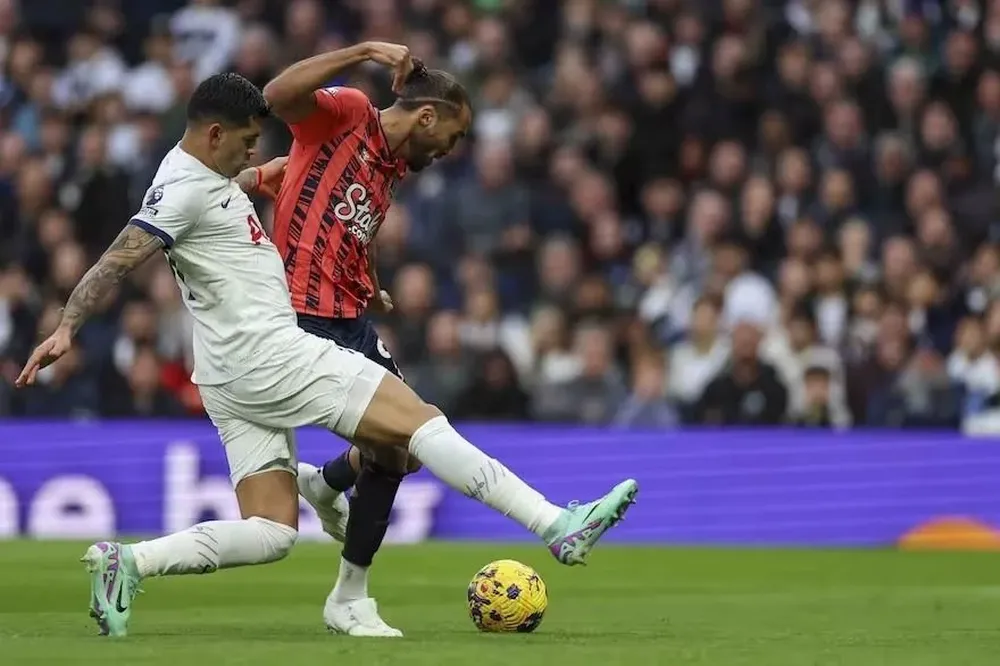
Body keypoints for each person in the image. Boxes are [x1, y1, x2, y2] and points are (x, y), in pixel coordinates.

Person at [14, 72, 638, 639]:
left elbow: (230, 187)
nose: (255, 149)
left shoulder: (200, 174)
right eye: (248, 140)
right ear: (214, 134)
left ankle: (130, 562)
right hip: (271, 355)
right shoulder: (181, 189)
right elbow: (121, 256)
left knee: (272, 533)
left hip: (227, 376)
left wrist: (264, 178)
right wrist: (68, 325)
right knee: (419, 424)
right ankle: (555, 525)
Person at [260, 41, 472, 637]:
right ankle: (349, 596)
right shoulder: (348, 111)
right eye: (452, 136)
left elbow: (349, 226)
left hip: (350, 314)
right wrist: (363, 50)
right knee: (405, 440)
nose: (451, 150)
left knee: (402, 446)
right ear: (427, 116)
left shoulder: (389, 166)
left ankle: (325, 486)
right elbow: (276, 97)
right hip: (301, 317)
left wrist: (370, 280)